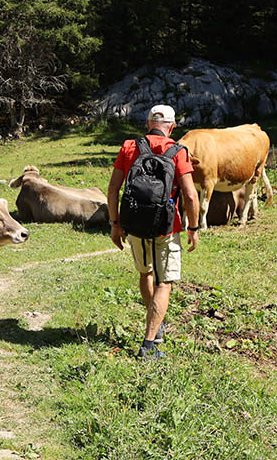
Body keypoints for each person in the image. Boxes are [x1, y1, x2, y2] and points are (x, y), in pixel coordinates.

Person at [106, 104, 200, 360]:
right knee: (164, 282)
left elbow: (113, 188)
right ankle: (149, 344)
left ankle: (155, 323)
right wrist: (193, 227)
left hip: (135, 224)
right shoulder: (178, 151)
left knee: (146, 272)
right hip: (168, 228)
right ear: (172, 127)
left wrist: (115, 224)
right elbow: (190, 195)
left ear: (148, 124)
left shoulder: (129, 147)